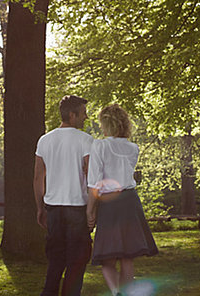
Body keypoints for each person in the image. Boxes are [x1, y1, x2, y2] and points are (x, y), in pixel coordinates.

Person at [87, 104, 158, 296]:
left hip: (110, 203)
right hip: (129, 201)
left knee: (107, 258)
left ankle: (116, 291)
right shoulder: (132, 148)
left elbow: (94, 182)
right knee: (127, 256)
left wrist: (90, 210)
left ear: (106, 124)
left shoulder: (99, 145)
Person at [33, 95, 94, 296]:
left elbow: (38, 178)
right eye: (83, 113)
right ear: (72, 114)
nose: (86, 117)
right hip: (77, 209)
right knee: (77, 262)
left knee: (55, 262)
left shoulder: (45, 140)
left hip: (53, 209)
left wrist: (40, 208)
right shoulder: (86, 140)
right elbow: (91, 175)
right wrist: (93, 211)